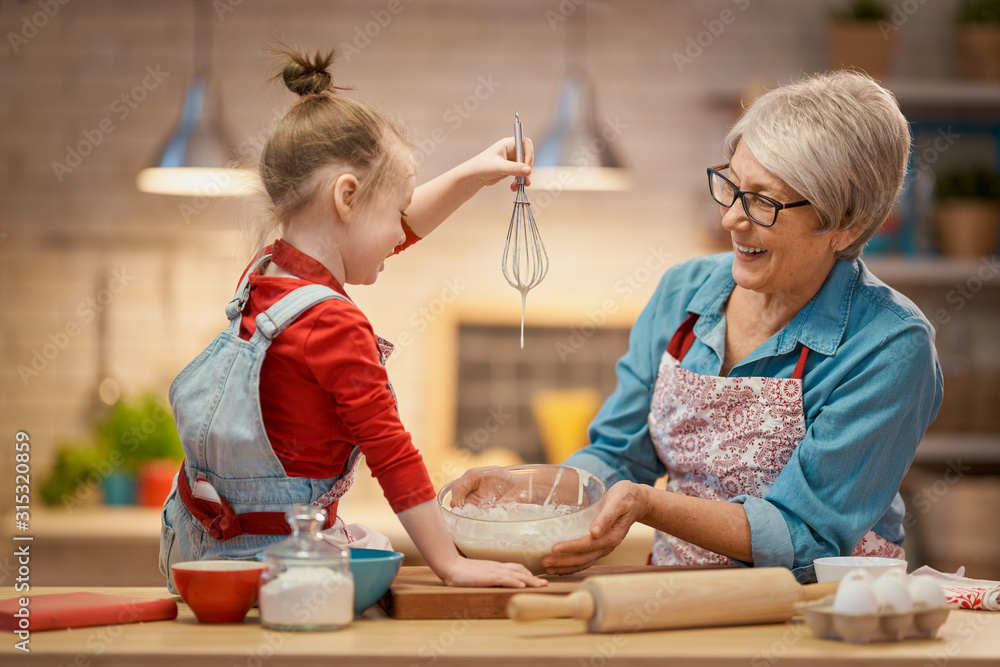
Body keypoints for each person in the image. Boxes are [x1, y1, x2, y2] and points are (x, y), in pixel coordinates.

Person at [453, 70, 943, 583]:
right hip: (678, 601)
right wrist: (536, 491)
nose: (732, 218)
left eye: (763, 202)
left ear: (846, 223)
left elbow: (806, 537)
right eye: (731, 186)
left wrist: (650, 506)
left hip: (820, 620)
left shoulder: (889, 346)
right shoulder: (684, 292)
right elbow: (620, 454)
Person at [159, 47, 546, 591]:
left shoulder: (267, 272)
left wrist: (471, 175)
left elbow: (383, 235)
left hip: (200, 557)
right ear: (346, 196)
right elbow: (392, 453)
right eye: (396, 210)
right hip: (280, 569)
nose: (400, 234)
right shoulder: (335, 326)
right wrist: (451, 564)